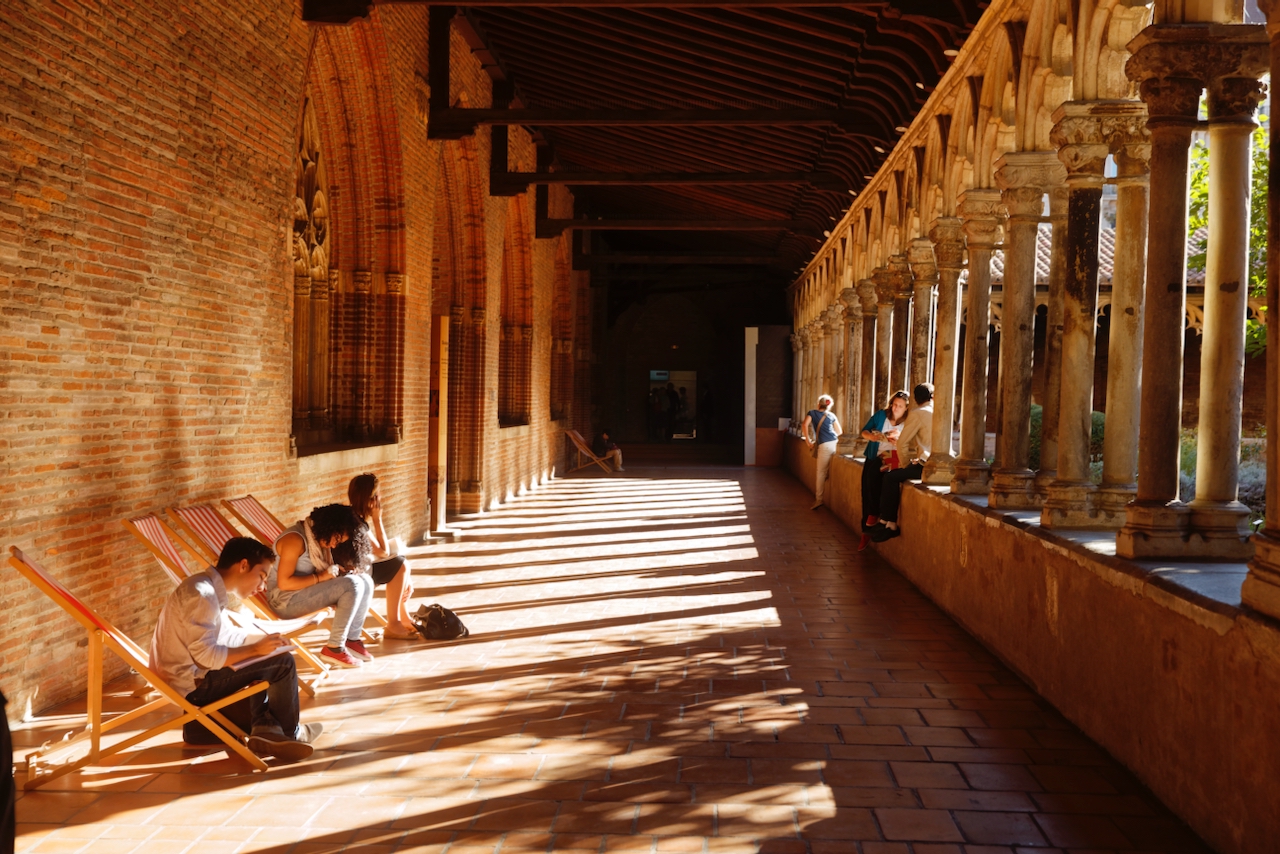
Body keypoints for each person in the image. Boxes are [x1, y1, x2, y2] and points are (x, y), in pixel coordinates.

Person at [149, 537, 322, 762]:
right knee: (283, 663)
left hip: (192, 677)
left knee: (269, 658)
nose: (261, 587)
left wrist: (265, 643)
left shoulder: (205, 587)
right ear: (242, 565)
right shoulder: (203, 595)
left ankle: (266, 728)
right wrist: (256, 651)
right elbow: (207, 656)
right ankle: (289, 734)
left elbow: (226, 637)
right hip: (192, 685)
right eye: (261, 576)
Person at [268, 504, 375, 668]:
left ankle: (352, 639)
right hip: (285, 601)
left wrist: (339, 572)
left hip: (304, 594)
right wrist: (321, 577)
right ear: (330, 527)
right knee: (351, 585)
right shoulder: (295, 540)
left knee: (365, 581)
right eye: (337, 539)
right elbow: (284, 583)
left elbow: (320, 572)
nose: (334, 546)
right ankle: (335, 647)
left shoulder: (315, 539)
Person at [342, 473, 418, 640]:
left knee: (401, 563)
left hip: (357, 569)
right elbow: (383, 551)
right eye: (378, 494)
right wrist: (378, 519)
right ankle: (394, 623)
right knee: (400, 565)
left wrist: (408, 578)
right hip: (352, 575)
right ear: (372, 498)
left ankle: (403, 618)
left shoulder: (353, 516)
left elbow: (381, 551)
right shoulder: (355, 521)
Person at [870, 383, 935, 542]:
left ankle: (889, 522)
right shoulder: (939, 412)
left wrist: (905, 465)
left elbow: (902, 443)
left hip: (927, 464)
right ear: (932, 397)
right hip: (939, 463)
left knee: (891, 477)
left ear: (915, 398)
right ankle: (885, 521)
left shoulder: (918, 413)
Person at [858, 391, 910, 550]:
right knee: (867, 489)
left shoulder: (909, 421)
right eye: (894, 404)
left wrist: (898, 441)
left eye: (900, 406)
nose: (896, 408)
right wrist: (873, 437)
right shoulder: (881, 415)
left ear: (906, 408)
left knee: (879, 479)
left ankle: (876, 519)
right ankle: (866, 530)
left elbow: (913, 442)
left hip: (894, 456)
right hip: (875, 454)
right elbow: (864, 431)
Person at [801, 394, 843, 510]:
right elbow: (839, 432)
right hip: (834, 443)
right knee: (825, 469)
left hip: (824, 445)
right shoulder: (831, 415)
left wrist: (808, 441)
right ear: (829, 406)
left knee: (820, 472)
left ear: (819, 404)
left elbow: (804, 425)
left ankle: (819, 499)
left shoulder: (812, 413)